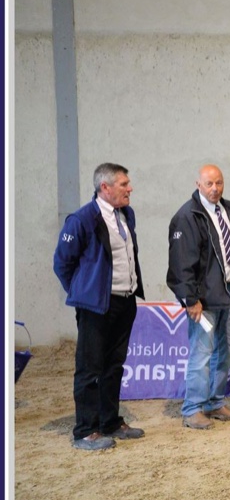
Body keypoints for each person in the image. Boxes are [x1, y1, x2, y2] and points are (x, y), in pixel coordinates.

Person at [53, 163, 145, 451]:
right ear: (105, 188)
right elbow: (62, 264)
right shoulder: (82, 220)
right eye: (123, 184)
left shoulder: (126, 214)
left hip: (124, 301)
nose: (129, 188)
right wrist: (85, 294)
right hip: (96, 307)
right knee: (90, 368)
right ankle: (85, 430)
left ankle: (110, 421)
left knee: (114, 366)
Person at [167, 164, 230, 430]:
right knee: (201, 354)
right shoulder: (187, 216)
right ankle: (192, 409)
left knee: (225, 353)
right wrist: (190, 299)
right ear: (198, 184)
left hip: (229, 294)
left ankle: (215, 402)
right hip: (204, 301)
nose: (215, 189)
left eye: (219, 183)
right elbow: (181, 264)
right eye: (209, 184)